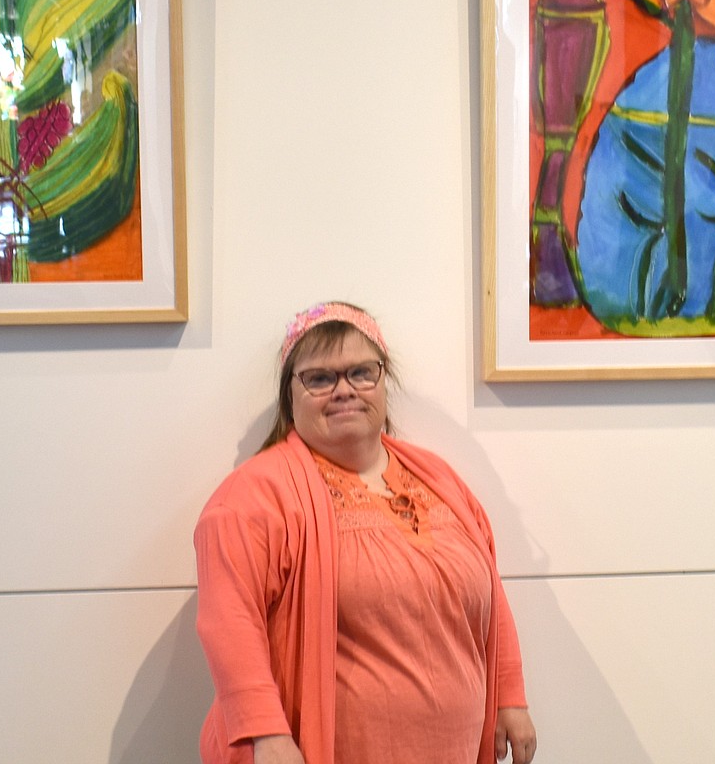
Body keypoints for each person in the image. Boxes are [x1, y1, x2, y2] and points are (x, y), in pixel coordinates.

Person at [194, 302, 536, 764]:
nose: (344, 390)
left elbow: (488, 590)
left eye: (361, 372)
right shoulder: (252, 498)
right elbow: (229, 622)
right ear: (289, 395)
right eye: (319, 378)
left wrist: (509, 694)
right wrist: (265, 734)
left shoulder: (439, 478)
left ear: (383, 381)